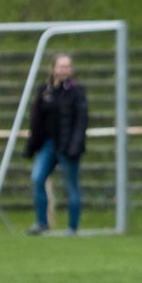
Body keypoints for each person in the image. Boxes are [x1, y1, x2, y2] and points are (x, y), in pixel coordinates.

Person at [23, 52, 88, 236]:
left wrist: (74, 146)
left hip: (68, 146)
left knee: (71, 185)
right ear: (53, 69)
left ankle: (72, 227)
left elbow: (81, 121)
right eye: (61, 66)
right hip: (49, 144)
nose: (64, 70)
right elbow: (36, 120)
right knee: (37, 178)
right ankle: (41, 222)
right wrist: (32, 145)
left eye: (67, 66)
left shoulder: (76, 91)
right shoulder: (45, 91)